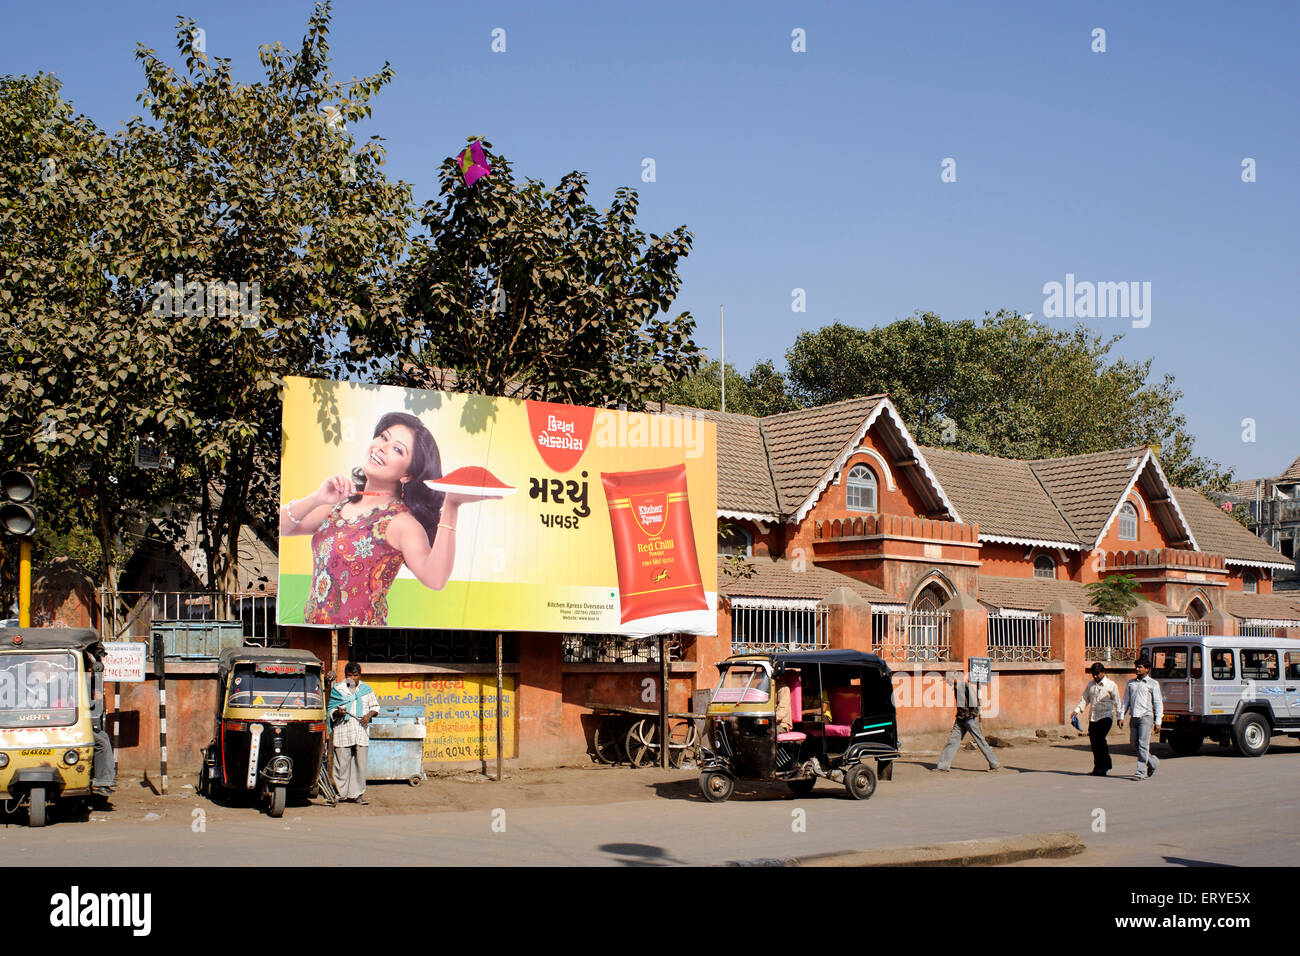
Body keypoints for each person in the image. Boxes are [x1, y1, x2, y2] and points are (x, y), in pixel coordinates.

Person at [280, 411, 488, 626]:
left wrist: (452, 505)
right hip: (313, 633)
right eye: (383, 437)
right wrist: (316, 498)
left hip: (359, 644)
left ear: (407, 475)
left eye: (397, 449)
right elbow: (282, 527)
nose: (382, 447)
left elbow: (435, 579)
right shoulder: (338, 506)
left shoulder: (400, 522)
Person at [328, 662, 380, 804]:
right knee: (341, 764)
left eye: (355, 675)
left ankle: (357, 794)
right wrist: (338, 712)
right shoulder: (338, 689)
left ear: (359, 676)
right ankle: (341, 793)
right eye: (349, 675)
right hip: (343, 731)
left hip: (360, 731)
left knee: (360, 764)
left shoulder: (367, 690)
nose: (352, 678)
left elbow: (375, 707)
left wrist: (368, 716)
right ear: (345, 676)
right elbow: (330, 709)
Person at [935, 673, 1000, 773]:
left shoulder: (963, 686)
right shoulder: (958, 687)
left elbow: (974, 702)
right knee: (952, 741)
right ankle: (943, 766)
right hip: (961, 718)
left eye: (948, 680)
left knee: (980, 740)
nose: (947, 682)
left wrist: (971, 715)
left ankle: (994, 763)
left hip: (969, 718)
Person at [1072, 662, 1121, 776]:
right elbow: (1085, 698)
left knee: (1100, 740)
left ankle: (1104, 765)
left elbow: (1117, 702)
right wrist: (1077, 710)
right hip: (1094, 717)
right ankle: (1098, 767)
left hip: (1106, 716)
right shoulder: (1091, 685)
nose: (1095, 676)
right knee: (1094, 743)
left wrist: (1120, 717)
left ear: (1103, 672)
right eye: (1093, 674)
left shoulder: (1111, 685)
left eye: (1097, 674)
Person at [1118, 656, 1163, 780]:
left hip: (1146, 717)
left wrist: (1158, 721)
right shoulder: (1131, 683)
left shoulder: (1153, 684)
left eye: (1140, 667)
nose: (1137, 669)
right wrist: (1121, 715)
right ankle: (1152, 761)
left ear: (1147, 669)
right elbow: (1125, 700)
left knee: (1143, 744)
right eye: (1136, 666)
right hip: (1134, 717)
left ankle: (1141, 771)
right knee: (1134, 744)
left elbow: (1158, 703)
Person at [85, 643, 116, 797]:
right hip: (70, 726)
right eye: (89, 668)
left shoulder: (87, 683)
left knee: (103, 736)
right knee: (102, 743)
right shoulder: (73, 681)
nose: (91, 670)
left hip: (81, 723)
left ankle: (103, 779)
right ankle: (102, 781)